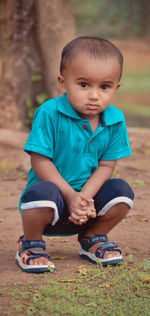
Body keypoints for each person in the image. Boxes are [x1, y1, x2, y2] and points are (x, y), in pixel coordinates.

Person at [16, 36, 134, 273]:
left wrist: (84, 198)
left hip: (86, 207)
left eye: (104, 87)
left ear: (116, 87)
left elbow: (106, 166)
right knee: (40, 192)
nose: (94, 95)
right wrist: (70, 196)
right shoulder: (49, 112)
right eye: (83, 85)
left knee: (122, 192)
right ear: (63, 82)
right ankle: (30, 243)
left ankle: (93, 237)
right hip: (50, 206)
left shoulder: (115, 119)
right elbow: (40, 160)